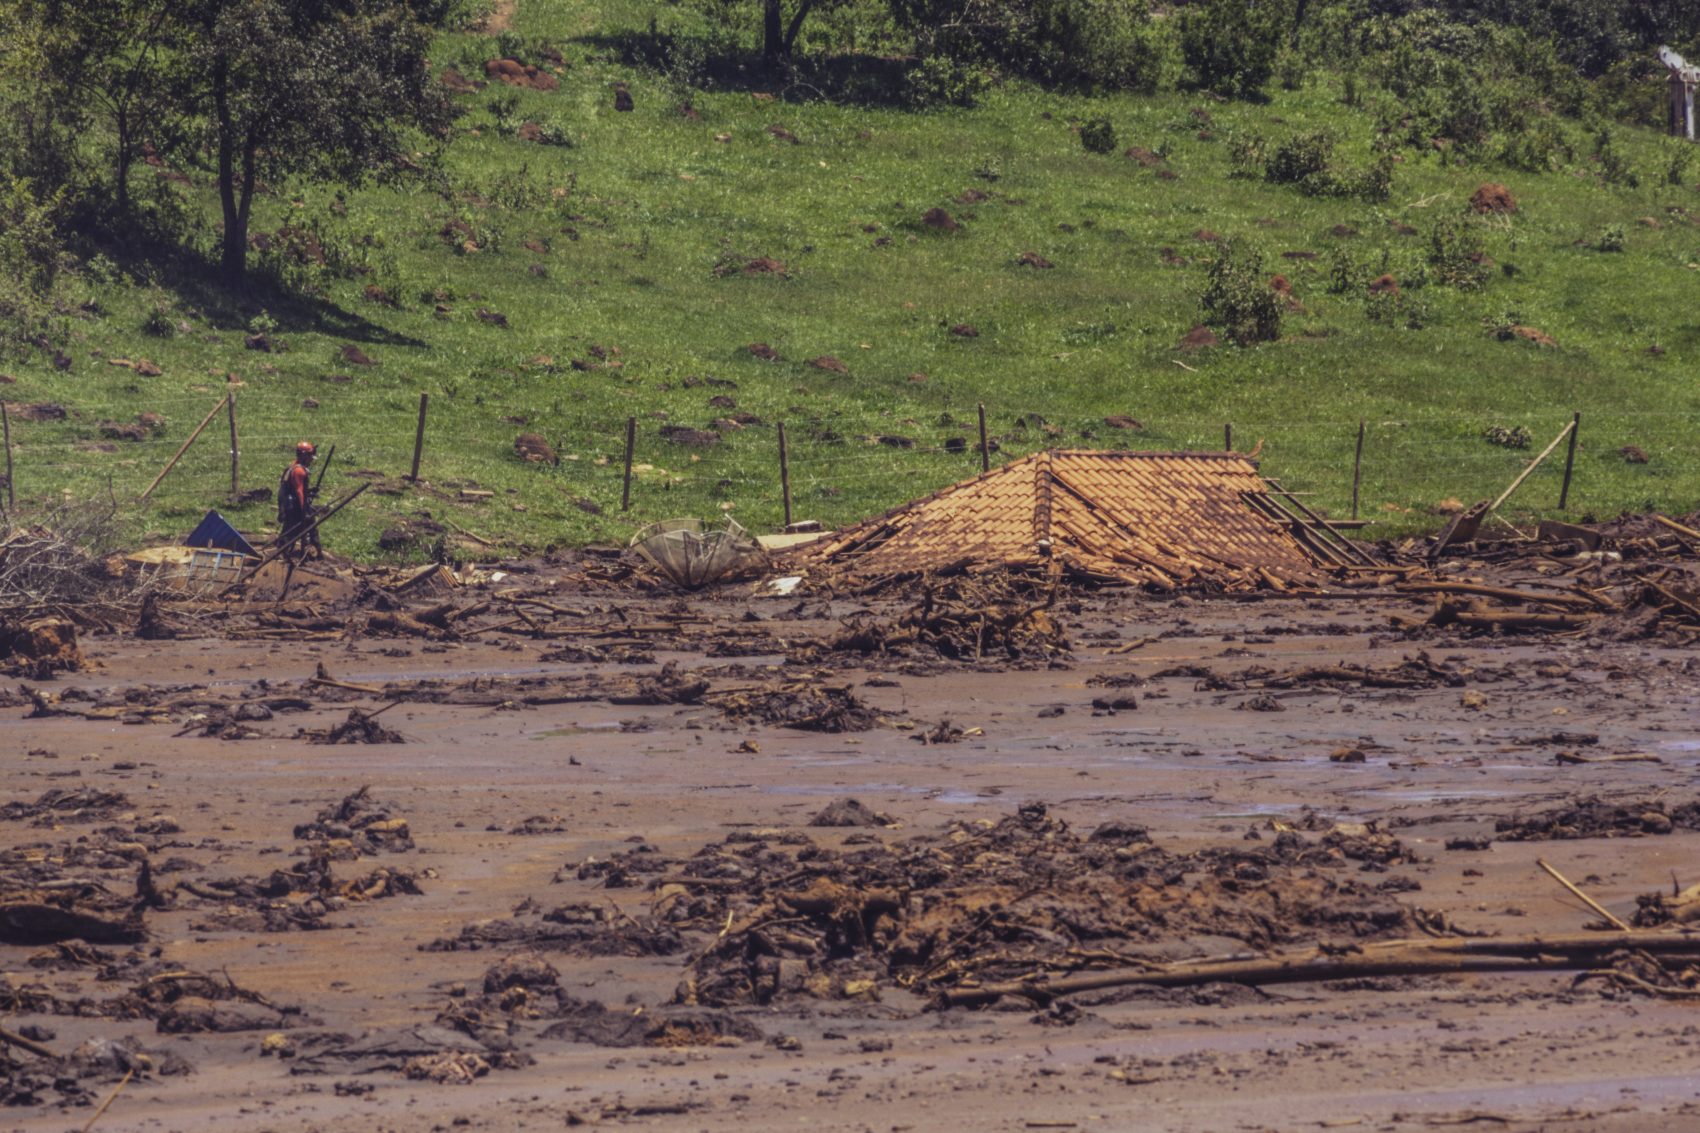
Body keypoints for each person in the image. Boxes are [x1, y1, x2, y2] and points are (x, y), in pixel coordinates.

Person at [277, 441, 321, 560]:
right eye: (310, 456)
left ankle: (314, 550)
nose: (312, 459)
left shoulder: (294, 466)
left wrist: (310, 491)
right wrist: (303, 510)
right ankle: (283, 552)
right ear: (303, 455)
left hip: (289, 503)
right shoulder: (299, 471)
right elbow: (299, 491)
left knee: (297, 527)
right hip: (294, 505)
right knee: (297, 528)